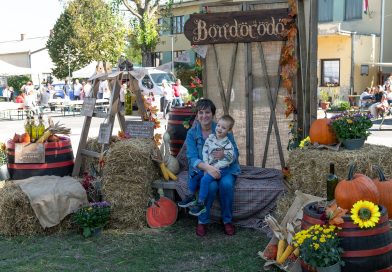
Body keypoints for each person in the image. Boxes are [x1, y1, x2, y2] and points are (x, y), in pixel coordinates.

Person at [178, 99, 240, 237]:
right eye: (201, 112)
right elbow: (192, 157)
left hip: (226, 168)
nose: (204, 116)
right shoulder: (192, 134)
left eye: (207, 112)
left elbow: (235, 151)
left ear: (212, 114)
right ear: (197, 115)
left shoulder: (222, 127)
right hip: (205, 168)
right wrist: (207, 168)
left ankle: (227, 221)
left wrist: (225, 154)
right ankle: (202, 221)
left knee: (226, 184)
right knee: (211, 187)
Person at [183, 115, 236, 218]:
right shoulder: (210, 138)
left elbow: (230, 158)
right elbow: (205, 152)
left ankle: (201, 203)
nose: (220, 128)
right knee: (194, 175)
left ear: (229, 131)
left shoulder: (227, 143)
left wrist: (216, 166)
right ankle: (191, 196)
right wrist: (207, 166)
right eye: (219, 126)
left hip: (221, 169)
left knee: (205, 180)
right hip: (209, 166)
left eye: (223, 128)